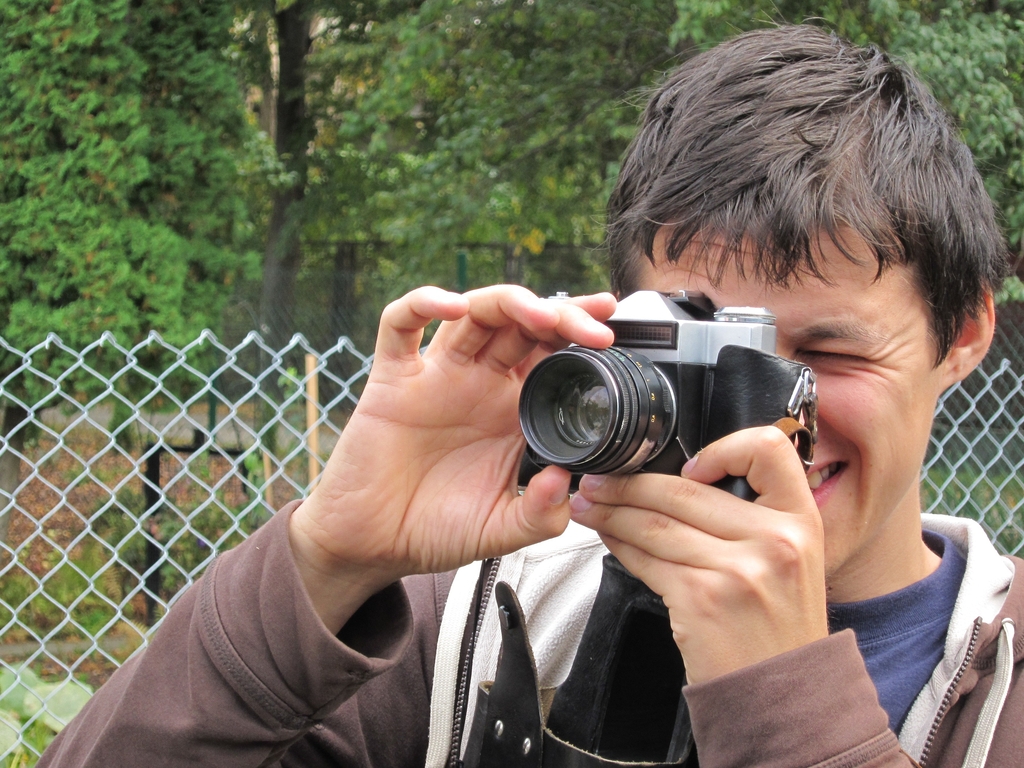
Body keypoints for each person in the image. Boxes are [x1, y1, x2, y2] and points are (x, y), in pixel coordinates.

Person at [39, 24, 1020, 768]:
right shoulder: (477, 616)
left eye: (826, 353)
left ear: (964, 333)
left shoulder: (1001, 681)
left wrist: (783, 696)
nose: (761, 419)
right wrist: (328, 558)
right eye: (704, 349)